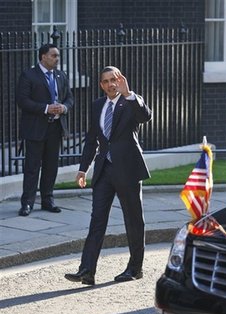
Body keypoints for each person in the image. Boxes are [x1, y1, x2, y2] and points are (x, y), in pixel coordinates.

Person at [65, 66, 152, 285]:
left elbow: (145, 117)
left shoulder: (131, 101)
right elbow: (92, 139)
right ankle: (87, 270)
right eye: (106, 81)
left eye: (114, 79)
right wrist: (83, 169)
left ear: (120, 80)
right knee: (97, 221)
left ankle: (135, 268)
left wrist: (128, 94)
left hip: (128, 170)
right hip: (104, 171)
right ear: (101, 85)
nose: (111, 84)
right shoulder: (97, 105)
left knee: (133, 220)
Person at [17, 43, 73, 216]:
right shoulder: (29, 75)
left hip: (55, 128)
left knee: (51, 167)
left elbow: (70, 98)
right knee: (32, 167)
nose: (57, 58)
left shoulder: (60, 75)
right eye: (54, 55)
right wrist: (46, 108)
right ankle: (27, 203)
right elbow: (22, 101)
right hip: (35, 129)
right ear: (43, 57)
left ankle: (47, 200)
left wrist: (64, 107)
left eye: (58, 56)